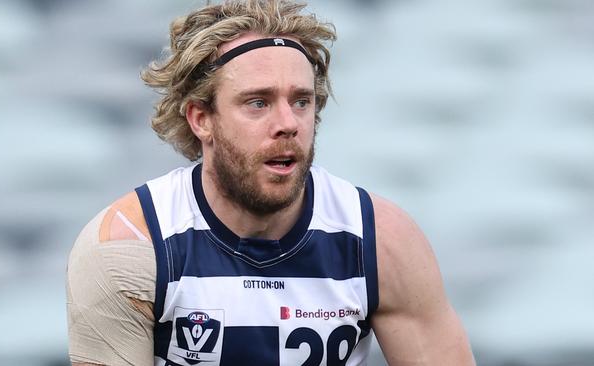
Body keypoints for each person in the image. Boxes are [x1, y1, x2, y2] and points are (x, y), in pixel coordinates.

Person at [66, 0, 475, 365]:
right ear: (201, 118)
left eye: (301, 101)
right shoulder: (130, 245)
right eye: (258, 102)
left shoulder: (380, 241)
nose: (288, 125)